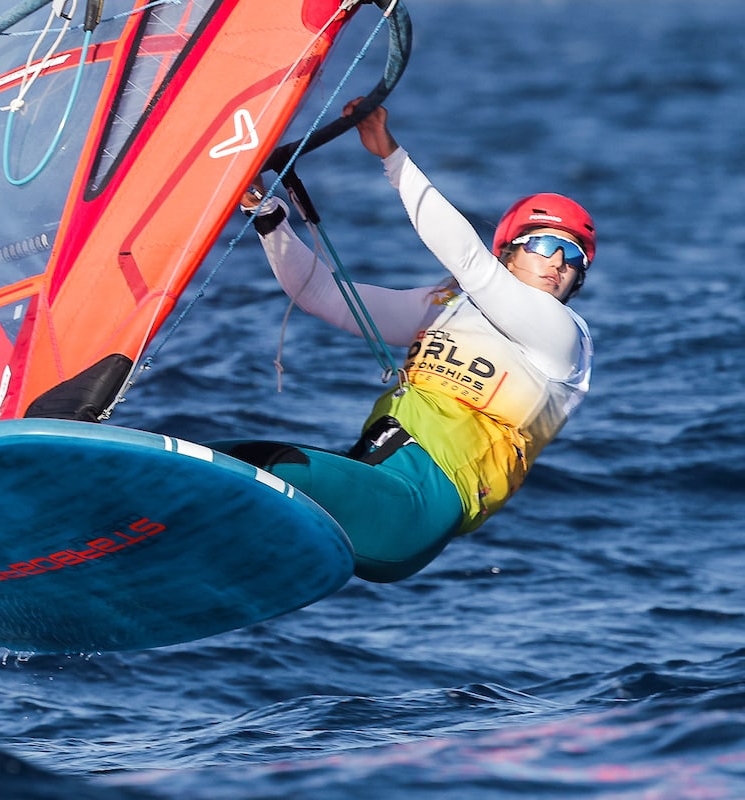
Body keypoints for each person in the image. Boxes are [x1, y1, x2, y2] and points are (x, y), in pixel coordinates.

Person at [227, 98, 594, 583]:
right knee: (218, 457)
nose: (557, 262)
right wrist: (268, 215)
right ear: (507, 251)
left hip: (417, 508)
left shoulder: (562, 337)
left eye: (573, 256)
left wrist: (391, 157)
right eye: (543, 244)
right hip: (371, 471)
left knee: (249, 467)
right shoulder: (447, 307)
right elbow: (319, 293)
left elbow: (470, 262)